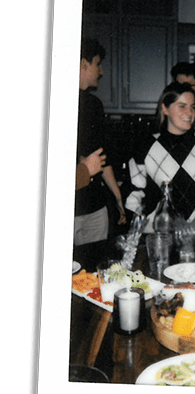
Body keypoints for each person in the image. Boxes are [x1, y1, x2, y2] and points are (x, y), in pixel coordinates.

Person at [126, 81, 195, 233]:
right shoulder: (145, 146)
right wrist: (137, 227)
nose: (189, 113)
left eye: (192, 107)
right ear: (165, 108)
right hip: (160, 230)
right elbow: (134, 193)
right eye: (182, 106)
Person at [74, 38, 126, 245]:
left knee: (93, 268)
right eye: (97, 64)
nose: (101, 71)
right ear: (83, 64)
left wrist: (117, 196)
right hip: (68, 208)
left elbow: (101, 156)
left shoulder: (93, 104)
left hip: (95, 209)